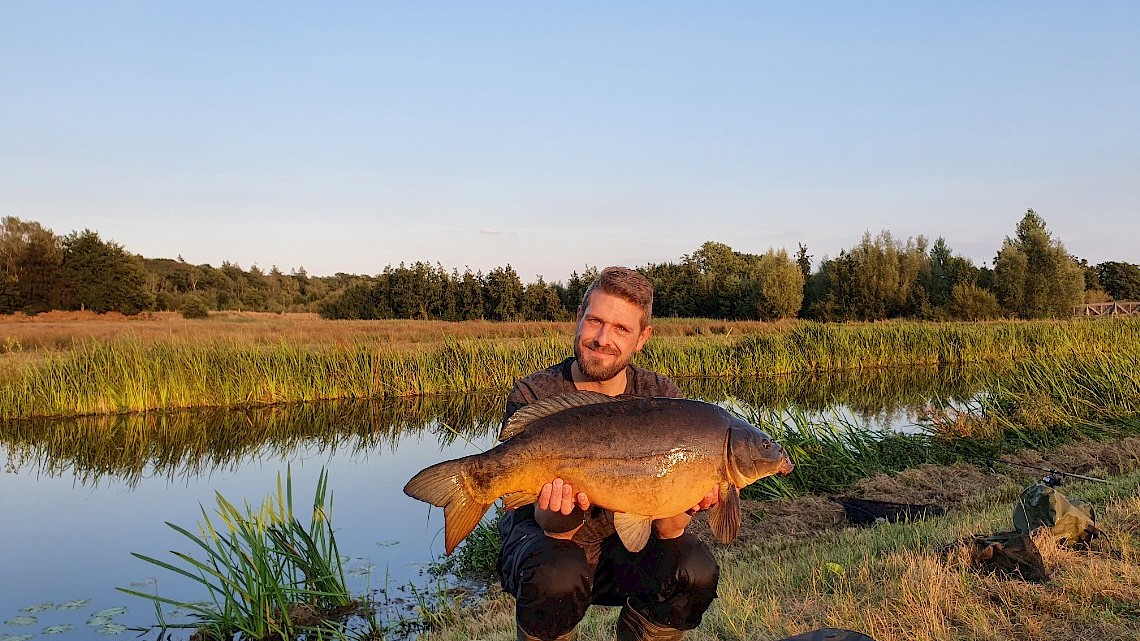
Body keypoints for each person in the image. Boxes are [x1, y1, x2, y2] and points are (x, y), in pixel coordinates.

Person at [496, 266, 720, 641]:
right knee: (558, 574)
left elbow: (668, 529)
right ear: (578, 319)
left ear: (642, 338)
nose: (603, 339)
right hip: (550, 545)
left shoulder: (661, 396)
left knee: (694, 569)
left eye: (621, 329)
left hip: (626, 551)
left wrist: (686, 501)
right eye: (595, 321)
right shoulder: (535, 393)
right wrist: (560, 514)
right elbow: (547, 524)